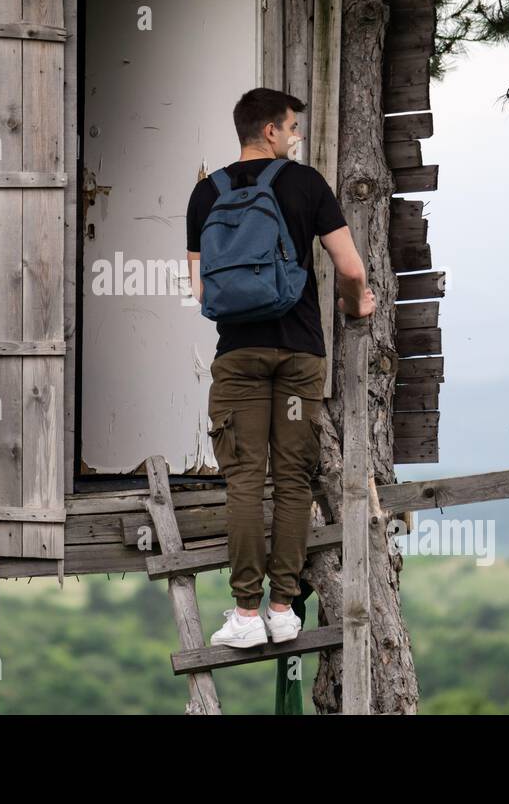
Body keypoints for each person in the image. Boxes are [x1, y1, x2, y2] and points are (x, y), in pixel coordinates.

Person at [185, 87, 375, 648]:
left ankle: (244, 615)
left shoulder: (205, 193)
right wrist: (353, 302)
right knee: (291, 476)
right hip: (297, 357)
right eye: (291, 126)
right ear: (269, 130)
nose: (295, 136)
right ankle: (283, 607)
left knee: (244, 478)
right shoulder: (305, 183)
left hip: (238, 357)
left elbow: (201, 287)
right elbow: (350, 266)